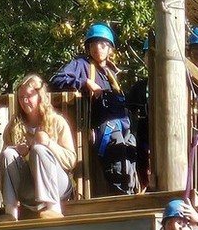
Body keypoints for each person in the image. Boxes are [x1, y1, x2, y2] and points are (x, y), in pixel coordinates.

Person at [50, 22, 139, 195]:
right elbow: (57, 80)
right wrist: (83, 82)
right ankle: (119, 197)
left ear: (110, 49)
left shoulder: (111, 72)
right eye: (93, 44)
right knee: (116, 158)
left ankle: (130, 193)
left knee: (129, 155)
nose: (98, 47)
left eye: (103, 44)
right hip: (103, 125)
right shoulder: (82, 65)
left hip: (122, 123)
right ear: (88, 47)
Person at [0, 74, 77, 220]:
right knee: (8, 153)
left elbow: (71, 160)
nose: (24, 101)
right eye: (21, 97)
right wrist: (19, 153)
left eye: (29, 96)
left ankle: (53, 209)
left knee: (39, 149)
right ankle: (10, 212)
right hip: (28, 188)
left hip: (58, 185)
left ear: (40, 96)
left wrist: (49, 144)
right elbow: (4, 163)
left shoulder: (57, 122)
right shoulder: (13, 127)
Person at [127, 36, 152, 191]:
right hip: (142, 137)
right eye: (148, 54)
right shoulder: (139, 87)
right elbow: (128, 113)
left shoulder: (180, 84)